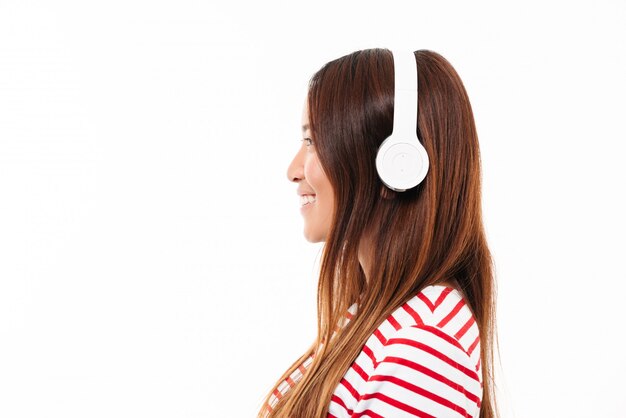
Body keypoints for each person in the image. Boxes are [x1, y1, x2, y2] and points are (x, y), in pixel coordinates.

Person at [259, 48, 497, 418]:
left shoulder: (424, 341)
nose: (293, 170)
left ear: (397, 164)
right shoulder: (382, 318)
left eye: (313, 141)